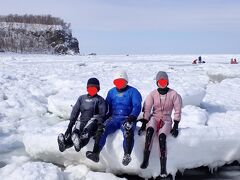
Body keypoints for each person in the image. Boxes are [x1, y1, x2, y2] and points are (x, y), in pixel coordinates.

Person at [86, 70, 142, 166]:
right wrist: (103, 117)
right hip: (114, 118)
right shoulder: (111, 92)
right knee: (101, 130)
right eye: (117, 82)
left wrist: (132, 117)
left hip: (127, 118)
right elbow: (106, 106)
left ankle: (127, 155)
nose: (119, 84)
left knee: (128, 131)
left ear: (126, 81)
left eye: (122, 81)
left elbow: (137, 106)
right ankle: (95, 153)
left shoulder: (133, 92)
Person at [138, 71, 182, 178]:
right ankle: (145, 160)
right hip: (154, 118)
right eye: (160, 81)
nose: (162, 83)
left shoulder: (174, 95)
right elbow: (147, 109)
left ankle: (163, 168)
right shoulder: (152, 94)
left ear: (167, 82)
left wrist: (175, 126)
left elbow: (177, 110)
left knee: (162, 138)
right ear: (157, 82)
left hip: (166, 120)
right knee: (149, 132)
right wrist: (144, 124)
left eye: (164, 81)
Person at [57, 78, 107, 152]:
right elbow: (75, 111)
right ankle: (65, 144)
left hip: (93, 122)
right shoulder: (81, 98)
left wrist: (99, 125)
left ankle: (80, 144)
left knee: (86, 132)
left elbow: (102, 114)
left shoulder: (100, 100)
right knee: (75, 133)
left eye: (94, 88)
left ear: (98, 89)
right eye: (90, 88)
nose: (92, 90)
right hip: (82, 120)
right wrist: (69, 127)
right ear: (87, 88)